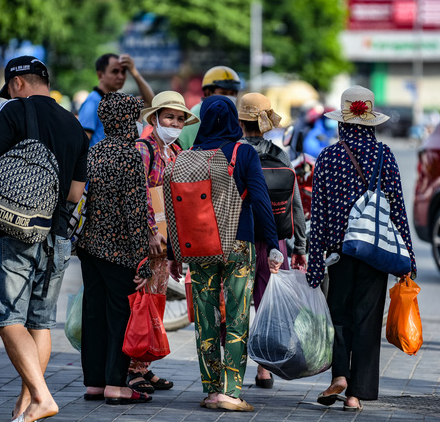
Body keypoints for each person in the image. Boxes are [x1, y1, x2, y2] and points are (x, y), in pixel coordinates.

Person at [0, 56, 89, 422]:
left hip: (16, 231)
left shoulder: (14, 110)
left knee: (9, 318)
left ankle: (42, 397)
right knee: (40, 323)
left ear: (18, 83)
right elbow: (75, 194)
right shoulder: (75, 125)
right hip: (57, 235)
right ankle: (26, 405)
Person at [306, 86, 417, 412]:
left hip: (338, 250)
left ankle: (339, 375)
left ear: (342, 123)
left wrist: (314, 263)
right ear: (371, 123)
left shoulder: (327, 157)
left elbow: (319, 212)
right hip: (375, 250)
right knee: (367, 320)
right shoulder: (385, 156)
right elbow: (397, 210)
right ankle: (356, 394)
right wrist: (408, 256)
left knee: (338, 315)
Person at [170, 95, 282, 412]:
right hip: (238, 244)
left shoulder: (188, 156)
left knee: (205, 318)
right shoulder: (243, 152)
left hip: (198, 247)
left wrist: (174, 252)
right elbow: (260, 200)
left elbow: (176, 207)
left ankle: (210, 389)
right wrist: (273, 244)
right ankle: (231, 391)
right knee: (236, 317)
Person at [75, 92, 154, 405]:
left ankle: (94, 382)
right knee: (119, 315)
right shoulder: (130, 156)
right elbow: (134, 214)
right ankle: (115, 385)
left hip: (88, 247)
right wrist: (142, 262)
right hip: (118, 251)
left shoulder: (93, 152)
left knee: (93, 313)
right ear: (128, 120)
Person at [126, 90, 199, 393]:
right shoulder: (145, 149)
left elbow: (178, 203)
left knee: (155, 303)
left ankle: (144, 366)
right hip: (147, 242)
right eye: (169, 116)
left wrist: (176, 251)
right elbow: (139, 192)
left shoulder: (177, 153)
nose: (175, 122)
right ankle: (131, 367)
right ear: (155, 118)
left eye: (180, 118)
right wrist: (149, 231)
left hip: (165, 243)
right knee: (140, 304)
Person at [237, 92, 308, 389]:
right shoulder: (280, 154)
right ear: (266, 122)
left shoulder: (232, 152)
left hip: (238, 239)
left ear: (240, 120)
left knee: (237, 304)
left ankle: (232, 370)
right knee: (267, 305)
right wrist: (300, 246)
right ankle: (264, 369)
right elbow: (295, 204)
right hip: (273, 243)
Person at [78, 53, 155, 147]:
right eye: (115, 71)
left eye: (123, 72)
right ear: (100, 75)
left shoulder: (124, 101)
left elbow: (151, 102)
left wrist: (134, 71)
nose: (121, 76)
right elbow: (82, 144)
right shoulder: (92, 103)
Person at [176, 66, 242, 150]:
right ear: (208, 93)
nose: (229, 97)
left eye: (233, 93)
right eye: (224, 93)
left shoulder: (230, 114)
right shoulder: (199, 114)